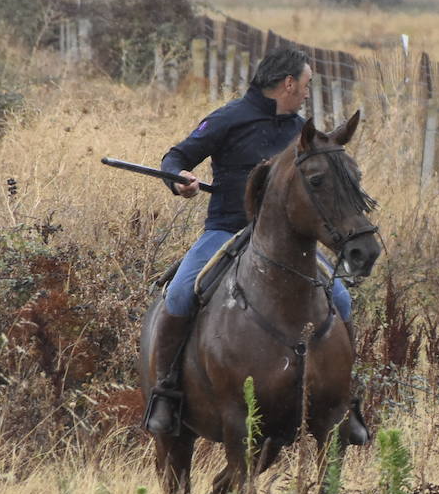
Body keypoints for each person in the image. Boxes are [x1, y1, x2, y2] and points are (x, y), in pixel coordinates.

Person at [144, 46, 351, 435]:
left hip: (287, 242)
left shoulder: (300, 131)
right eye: (306, 84)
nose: (308, 92)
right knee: (179, 296)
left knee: (342, 299)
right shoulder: (228, 119)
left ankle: (344, 401)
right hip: (226, 231)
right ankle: (166, 395)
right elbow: (174, 157)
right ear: (288, 83)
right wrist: (178, 178)